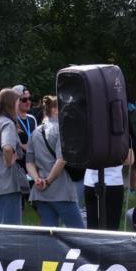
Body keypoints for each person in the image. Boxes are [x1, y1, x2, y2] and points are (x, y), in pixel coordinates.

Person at [26, 95, 85, 229]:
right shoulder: (62, 130)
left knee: (48, 235)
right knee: (78, 232)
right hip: (61, 190)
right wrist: (47, 181)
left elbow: (29, 161)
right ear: (55, 110)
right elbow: (62, 159)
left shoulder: (35, 132)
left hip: (40, 192)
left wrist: (37, 179)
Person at [0, 88, 28, 224]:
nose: (18, 105)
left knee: (1, 225)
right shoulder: (7, 123)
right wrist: (9, 161)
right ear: (11, 104)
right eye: (17, 102)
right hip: (8, 182)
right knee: (11, 228)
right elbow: (7, 147)